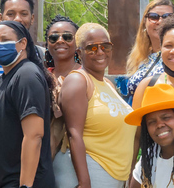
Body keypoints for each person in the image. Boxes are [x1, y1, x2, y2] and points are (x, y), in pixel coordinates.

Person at [56, 23, 135, 188]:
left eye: (105, 46)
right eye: (92, 48)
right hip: (87, 172)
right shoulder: (78, 81)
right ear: (79, 53)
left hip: (113, 176)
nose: (100, 52)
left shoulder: (108, 84)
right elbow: (74, 133)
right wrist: (84, 182)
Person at [0, 20, 56, 188]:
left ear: (23, 43)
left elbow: (34, 135)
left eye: (4, 40)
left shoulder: (26, 75)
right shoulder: (3, 80)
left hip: (24, 183)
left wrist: (25, 185)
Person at [0, 0, 46, 82]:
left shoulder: (43, 56)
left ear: (32, 19)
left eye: (24, 14)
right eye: (10, 14)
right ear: (1, 18)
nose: (17, 19)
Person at [44, 15, 81, 157]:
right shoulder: (41, 76)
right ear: (47, 43)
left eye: (67, 37)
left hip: (75, 152)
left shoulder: (86, 76)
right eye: (53, 38)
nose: (60, 41)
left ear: (77, 42)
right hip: (43, 152)